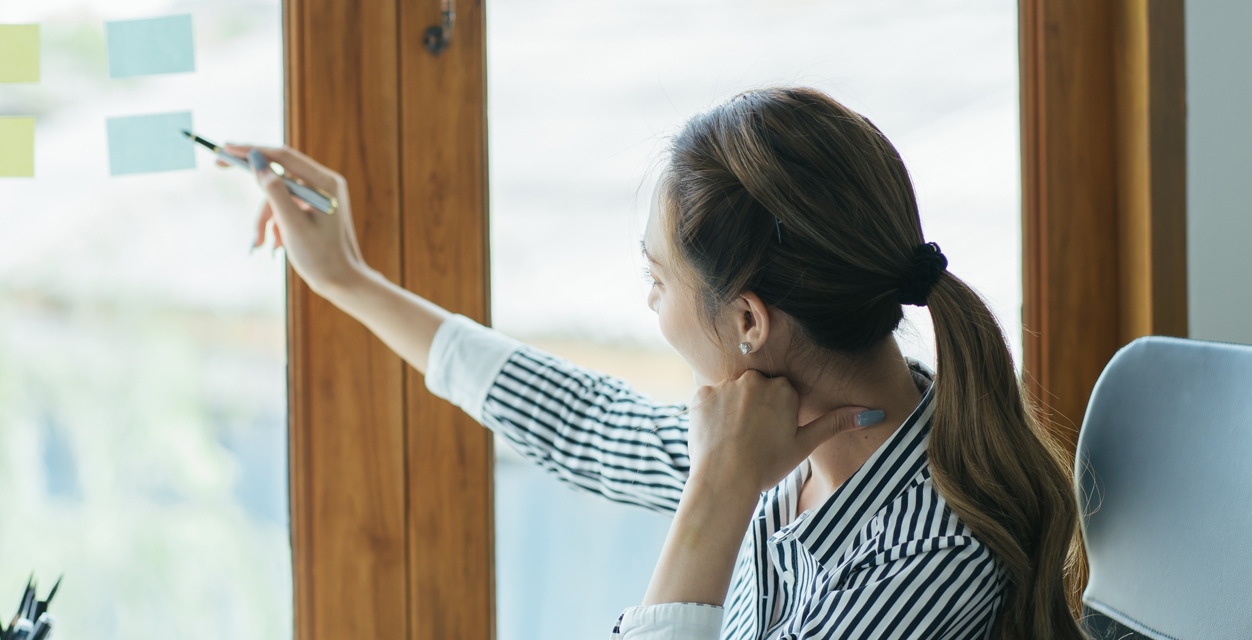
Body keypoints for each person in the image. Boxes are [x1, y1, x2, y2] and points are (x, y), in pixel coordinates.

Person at [229, 87, 1085, 640]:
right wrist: (347, 278)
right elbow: (586, 423)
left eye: (657, 278)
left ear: (747, 320)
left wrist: (717, 493)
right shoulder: (789, 435)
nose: (650, 303)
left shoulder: (922, 563)